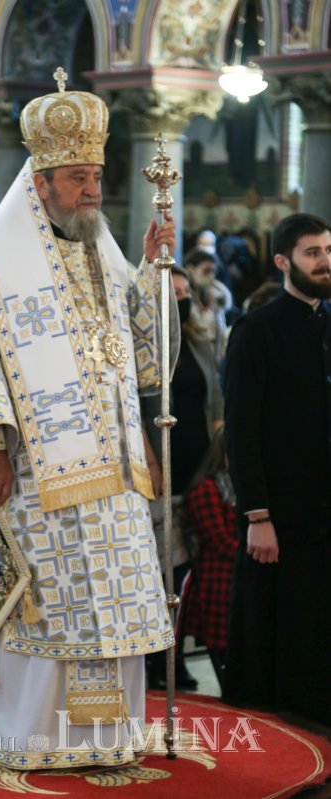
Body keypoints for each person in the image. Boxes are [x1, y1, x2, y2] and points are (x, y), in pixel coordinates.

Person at [0, 70, 179, 770]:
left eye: (95, 176)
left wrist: (152, 271)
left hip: (110, 475)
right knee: (46, 603)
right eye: (76, 176)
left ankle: (100, 735)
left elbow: (138, 361)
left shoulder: (102, 256)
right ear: (39, 182)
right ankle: (23, 733)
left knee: (105, 605)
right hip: (31, 475)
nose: (90, 189)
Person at [223, 212, 331, 725]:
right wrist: (257, 515)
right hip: (281, 514)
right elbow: (241, 432)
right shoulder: (256, 330)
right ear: (284, 261)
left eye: (329, 250)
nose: (325, 261)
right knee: (279, 629)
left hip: (324, 510)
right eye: (313, 252)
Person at [142, 266, 224, 691]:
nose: (181, 298)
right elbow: (136, 408)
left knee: (190, 567)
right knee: (162, 570)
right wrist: (151, 462)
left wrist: (218, 455)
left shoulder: (198, 340)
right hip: (160, 470)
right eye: (171, 292)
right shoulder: (144, 347)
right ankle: (155, 658)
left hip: (199, 469)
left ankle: (176, 652)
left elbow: (214, 400)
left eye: (184, 291)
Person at [181, 426, 237, 686]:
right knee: (224, 658)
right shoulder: (206, 490)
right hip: (218, 583)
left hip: (237, 578)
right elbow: (219, 540)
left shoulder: (237, 485)